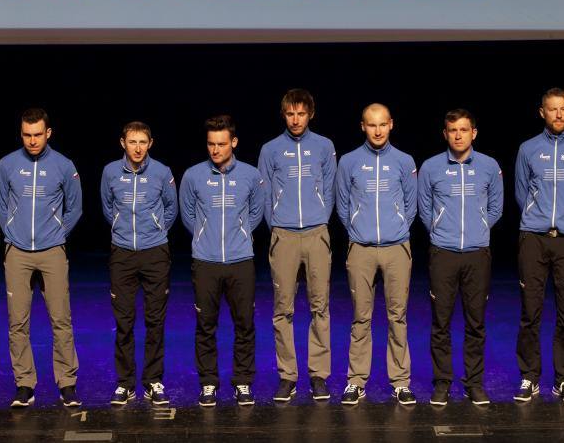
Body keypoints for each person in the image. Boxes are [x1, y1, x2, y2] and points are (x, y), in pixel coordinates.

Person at [0, 108, 83, 408]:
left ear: (48, 133)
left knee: (61, 320)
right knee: (17, 322)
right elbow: (0, 206)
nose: (32, 141)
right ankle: (24, 385)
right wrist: (12, 234)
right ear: (22, 134)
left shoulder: (63, 165)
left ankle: (67, 384)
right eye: (27, 135)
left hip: (52, 252)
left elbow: (75, 208)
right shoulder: (7, 164)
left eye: (38, 135)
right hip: (17, 252)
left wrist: (57, 235)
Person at [513, 88, 564, 404]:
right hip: (533, 239)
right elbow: (521, 192)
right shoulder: (527, 149)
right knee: (530, 312)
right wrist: (537, 217)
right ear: (542, 112)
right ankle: (529, 377)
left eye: (563, 109)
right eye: (552, 109)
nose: (558, 114)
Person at [418, 109, 503, 406]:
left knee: (475, 323)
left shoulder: (490, 167)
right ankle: (442, 382)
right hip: (443, 253)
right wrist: (443, 232)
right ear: (445, 133)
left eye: (463, 130)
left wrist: (478, 230)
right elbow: (425, 210)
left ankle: (474, 383)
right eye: (452, 129)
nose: (458, 135)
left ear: (473, 133)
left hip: (477, 254)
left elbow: (496, 209)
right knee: (440, 322)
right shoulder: (430, 167)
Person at [179, 115, 265, 407]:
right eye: (211, 144)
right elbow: (188, 216)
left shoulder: (251, 176)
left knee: (245, 324)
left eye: (221, 144)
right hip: (205, 262)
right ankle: (208, 384)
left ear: (234, 143)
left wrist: (238, 236)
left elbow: (256, 214)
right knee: (206, 325)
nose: (215, 150)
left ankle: (242, 382)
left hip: (241, 260)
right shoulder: (193, 176)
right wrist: (206, 237)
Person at [335, 103, 418, 405]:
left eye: (383, 124)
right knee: (361, 317)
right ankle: (356, 381)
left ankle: (400, 381)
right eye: (372, 125)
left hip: (397, 248)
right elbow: (343, 205)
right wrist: (359, 230)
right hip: (361, 249)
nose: (378, 130)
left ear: (391, 124)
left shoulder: (404, 161)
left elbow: (411, 205)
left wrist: (395, 231)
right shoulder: (349, 161)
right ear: (363, 127)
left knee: (398, 316)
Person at [258, 89, 337, 402]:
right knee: (283, 310)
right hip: (284, 235)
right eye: (290, 113)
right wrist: (277, 224)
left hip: (317, 234)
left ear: (311, 114)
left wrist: (320, 219)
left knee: (320, 307)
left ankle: (318, 375)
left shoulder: (325, 147)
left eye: (301, 113)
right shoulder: (270, 149)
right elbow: (264, 195)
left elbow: (330, 189)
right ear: (284, 114)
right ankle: (287, 376)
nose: (295, 119)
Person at [100, 121, 178, 405]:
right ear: (123, 143)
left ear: (150, 143)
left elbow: (171, 209)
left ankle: (154, 381)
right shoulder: (110, 172)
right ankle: (125, 383)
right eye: (132, 142)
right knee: (124, 321)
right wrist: (123, 230)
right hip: (122, 254)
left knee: (155, 321)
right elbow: (108, 209)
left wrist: (155, 230)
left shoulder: (162, 172)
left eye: (142, 142)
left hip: (155, 253)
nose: (137, 147)